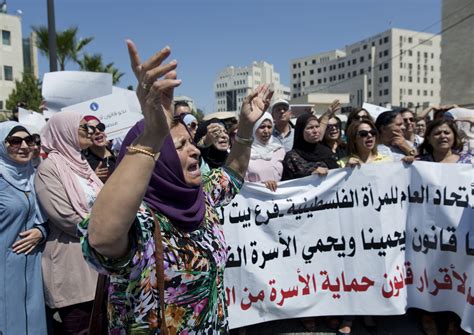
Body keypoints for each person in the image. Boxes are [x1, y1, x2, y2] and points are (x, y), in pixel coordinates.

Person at [79, 40, 274, 333]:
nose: (195, 151)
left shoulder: (199, 197)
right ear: (159, 157)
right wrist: (153, 135)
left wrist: (246, 128)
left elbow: (231, 176)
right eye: (181, 145)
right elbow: (103, 238)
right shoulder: (141, 220)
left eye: (192, 142)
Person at [35, 111, 103, 334]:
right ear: (65, 131)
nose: (90, 132)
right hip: (74, 269)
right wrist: (111, 229)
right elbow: (65, 217)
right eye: (84, 127)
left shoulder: (83, 166)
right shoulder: (49, 169)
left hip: (99, 265)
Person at [0, 121, 48, 335]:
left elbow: (48, 216)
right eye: (14, 141)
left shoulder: (35, 176)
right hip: (5, 271)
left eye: (29, 140)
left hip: (34, 268)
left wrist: (41, 231)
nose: (24, 146)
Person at [282, 113, 339, 180]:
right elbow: (288, 185)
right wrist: (311, 175)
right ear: (301, 131)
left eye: (317, 127)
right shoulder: (291, 157)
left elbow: (337, 177)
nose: (315, 131)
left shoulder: (327, 153)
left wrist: (348, 168)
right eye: (310, 128)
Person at [245, 112, 285, 192]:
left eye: (269, 127)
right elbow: (241, 183)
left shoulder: (279, 150)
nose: (266, 131)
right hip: (255, 198)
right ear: (254, 128)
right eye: (262, 127)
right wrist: (262, 185)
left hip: (278, 199)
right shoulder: (245, 153)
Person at [82, 115, 117, 183]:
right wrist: (93, 179)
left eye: (100, 127)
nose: (98, 131)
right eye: (91, 129)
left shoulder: (117, 151)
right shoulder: (84, 162)